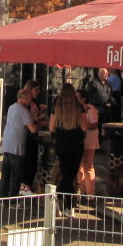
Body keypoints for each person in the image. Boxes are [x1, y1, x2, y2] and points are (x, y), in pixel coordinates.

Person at [50, 83, 89, 217]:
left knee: (67, 173)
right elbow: (84, 127)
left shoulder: (56, 106)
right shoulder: (79, 107)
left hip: (62, 142)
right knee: (70, 175)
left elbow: (51, 127)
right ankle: (67, 206)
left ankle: (58, 198)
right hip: (76, 143)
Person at [0, 89, 38, 202]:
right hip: (17, 145)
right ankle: (12, 200)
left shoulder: (12, 107)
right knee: (16, 175)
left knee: (6, 174)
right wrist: (40, 124)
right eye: (29, 99)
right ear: (25, 98)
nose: (30, 102)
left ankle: (3, 199)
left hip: (7, 143)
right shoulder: (23, 110)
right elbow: (33, 129)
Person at [20, 79, 47, 195]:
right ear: (30, 90)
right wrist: (42, 121)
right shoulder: (27, 105)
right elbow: (32, 122)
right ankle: (25, 187)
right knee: (30, 162)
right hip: (29, 136)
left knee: (31, 162)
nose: (39, 92)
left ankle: (26, 186)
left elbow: (35, 118)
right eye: (36, 89)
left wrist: (41, 113)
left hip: (31, 136)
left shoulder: (33, 103)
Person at [76, 89, 99, 197]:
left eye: (77, 97)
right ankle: (81, 190)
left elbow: (94, 125)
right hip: (81, 140)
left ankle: (90, 193)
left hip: (89, 140)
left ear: (83, 98)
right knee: (80, 166)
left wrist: (84, 126)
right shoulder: (78, 109)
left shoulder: (91, 109)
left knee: (88, 165)